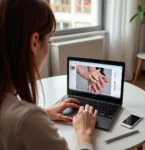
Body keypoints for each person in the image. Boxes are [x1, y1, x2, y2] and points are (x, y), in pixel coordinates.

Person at [0, 0, 98, 150]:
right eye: (49, 40)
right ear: (34, 42)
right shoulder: (28, 120)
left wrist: (44, 113)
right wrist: (84, 133)